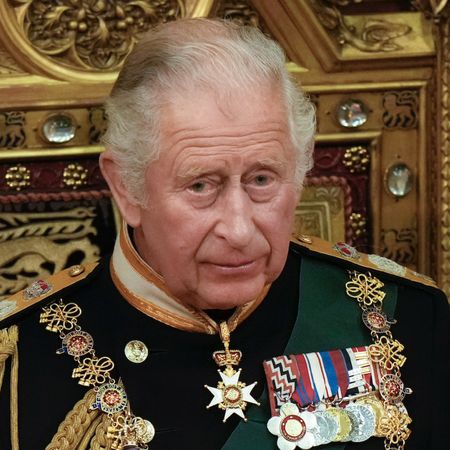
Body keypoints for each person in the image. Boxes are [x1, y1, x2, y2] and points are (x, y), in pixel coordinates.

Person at [0, 18, 448, 450]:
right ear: (127, 187)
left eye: (262, 180)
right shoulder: (20, 360)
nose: (238, 229)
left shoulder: (405, 316)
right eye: (200, 185)